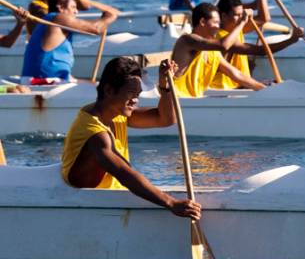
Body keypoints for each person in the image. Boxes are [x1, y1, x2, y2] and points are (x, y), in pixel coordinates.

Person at [60, 57, 201, 219]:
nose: (135, 100)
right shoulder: (94, 132)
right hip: (85, 206)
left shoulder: (117, 114)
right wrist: (171, 203)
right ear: (109, 90)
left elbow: (165, 119)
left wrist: (165, 86)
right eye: (131, 94)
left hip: (109, 197)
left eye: (138, 94)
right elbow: (124, 173)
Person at [171, 3, 304, 97]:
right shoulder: (187, 40)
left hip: (192, 100)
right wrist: (242, 22)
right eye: (216, 22)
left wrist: (266, 91)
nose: (218, 27)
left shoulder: (213, 51)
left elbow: (237, 75)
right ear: (202, 22)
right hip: (177, 100)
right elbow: (224, 45)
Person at [21, 0, 117, 81]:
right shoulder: (59, 18)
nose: (76, 11)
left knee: (90, 84)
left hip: (41, 78)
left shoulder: (47, 21)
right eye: (73, 7)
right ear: (61, 7)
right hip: (43, 80)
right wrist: (108, 17)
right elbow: (96, 29)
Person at [210, 0, 274, 89]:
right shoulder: (218, 33)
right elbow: (260, 51)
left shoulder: (236, 25)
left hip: (240, 84)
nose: (237, 1)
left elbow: (263, 19)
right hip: (225, 89)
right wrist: (291, 40)